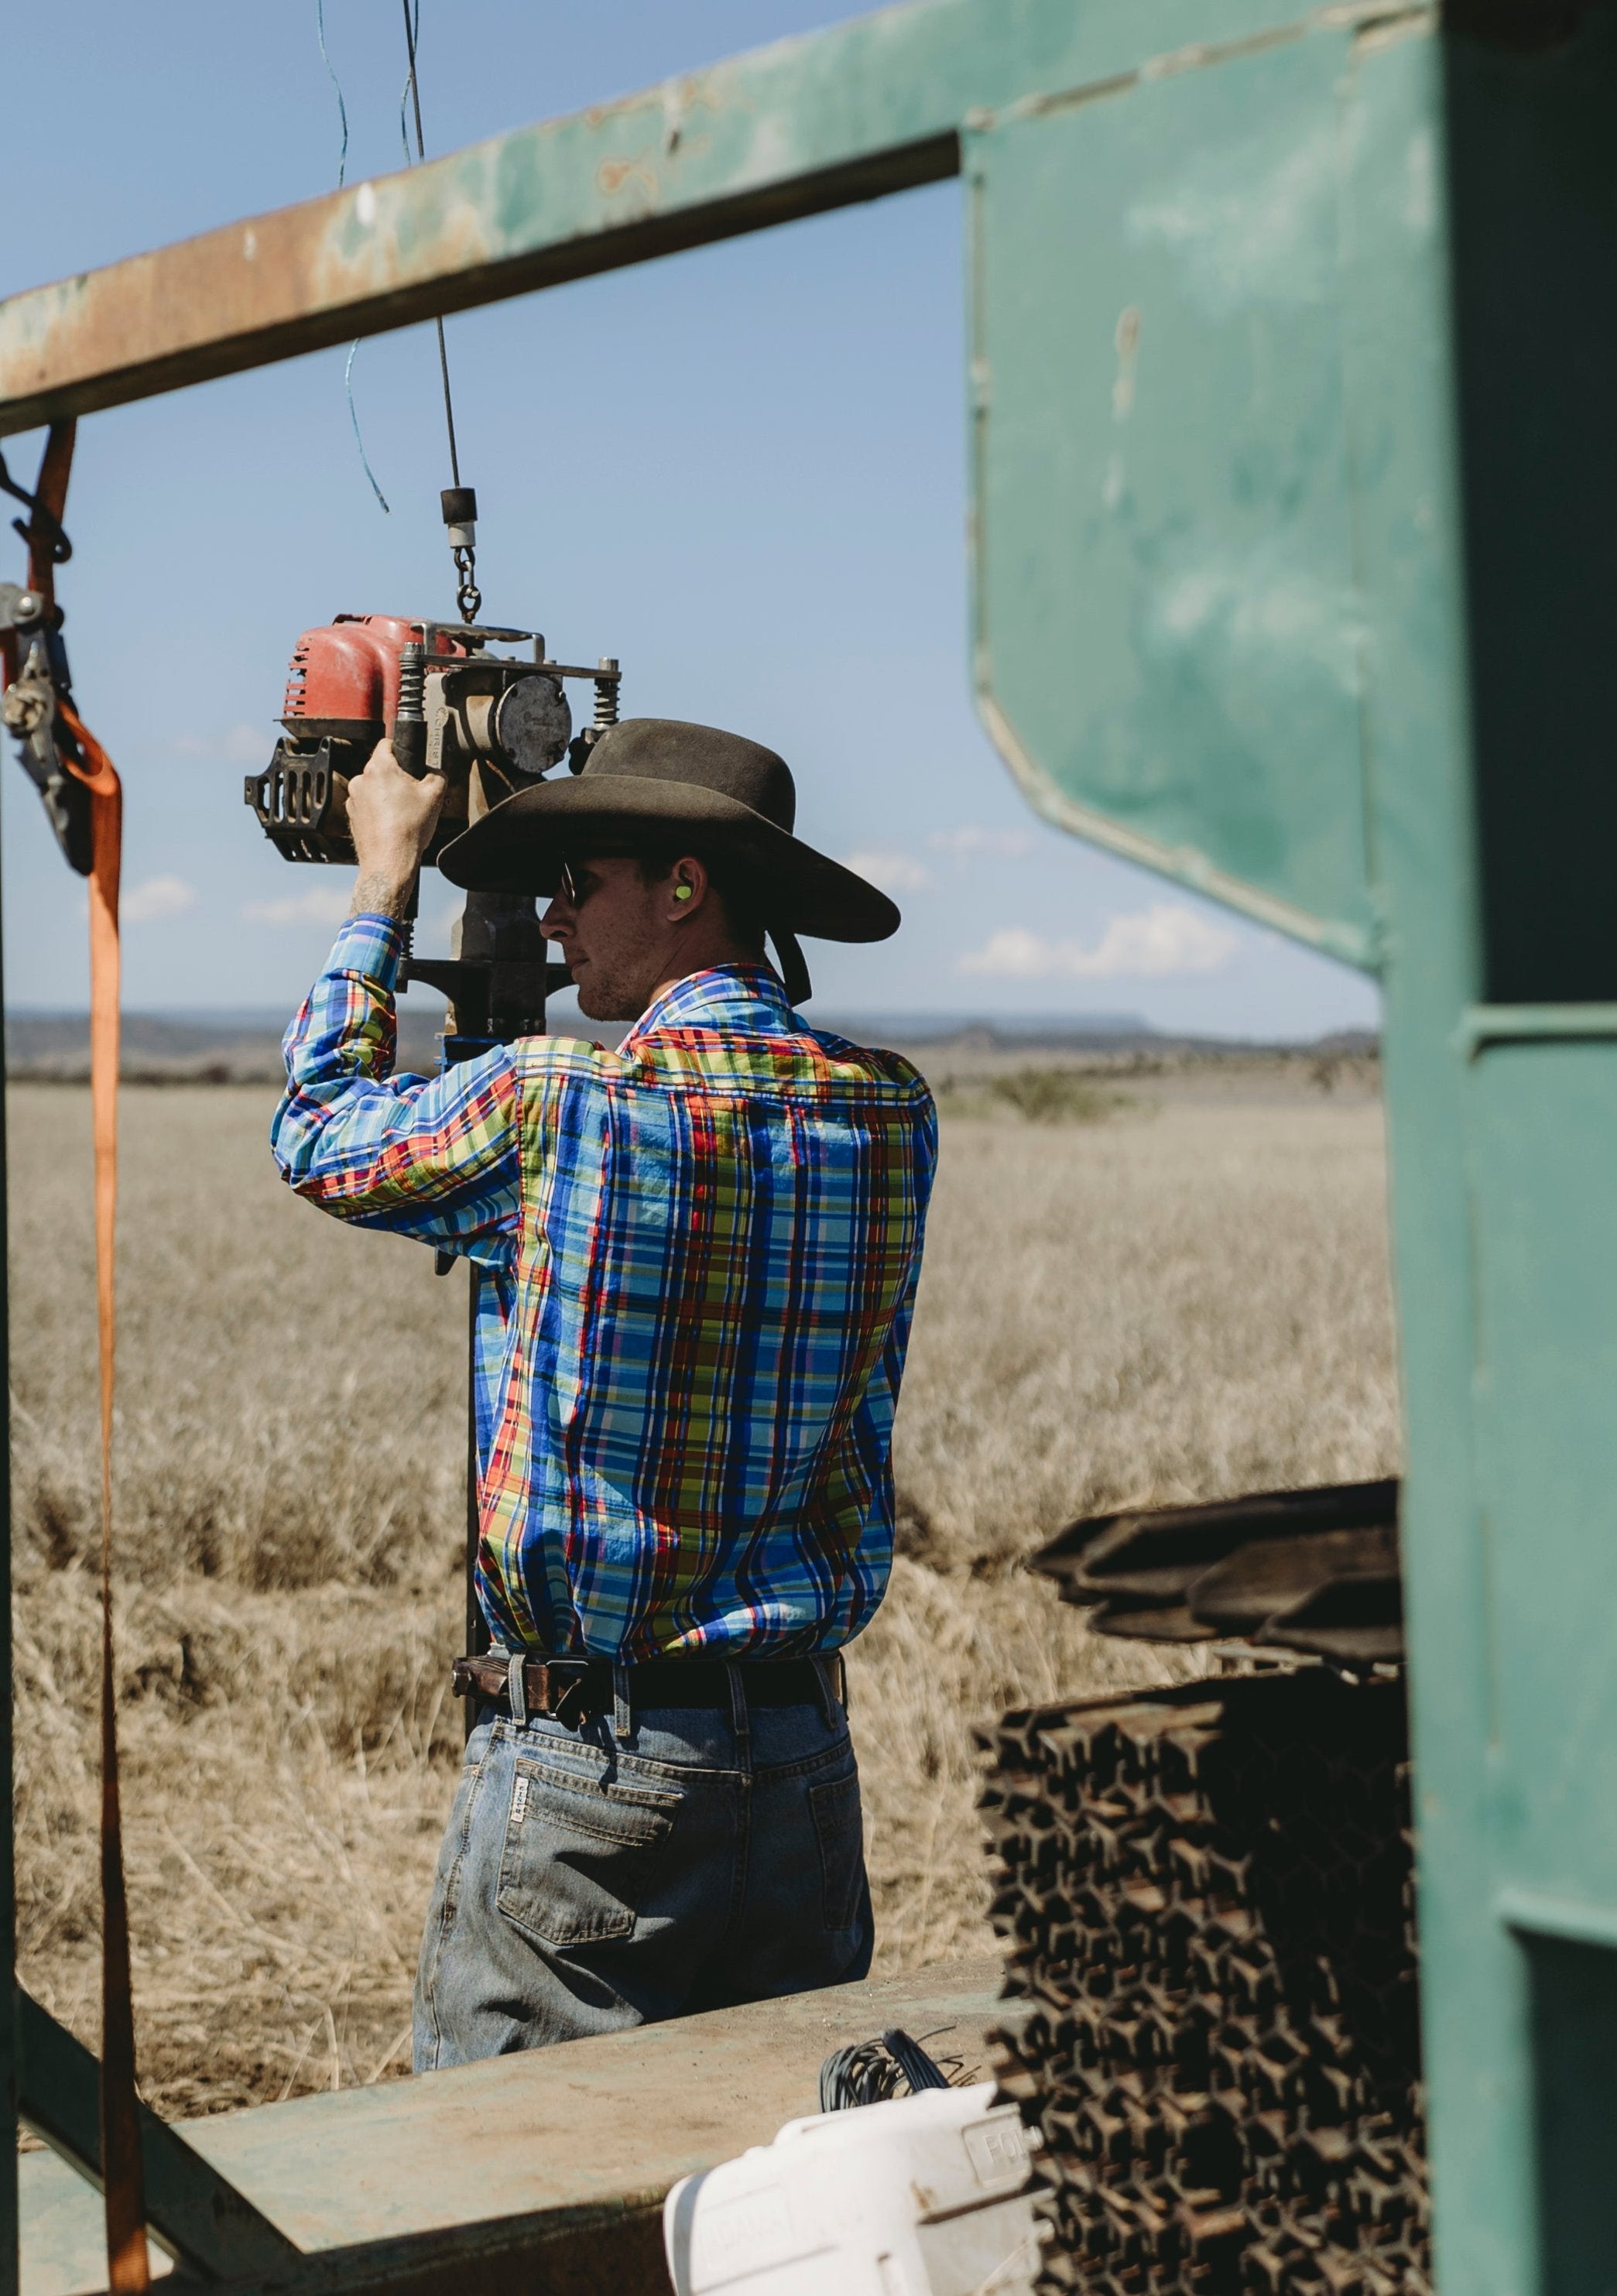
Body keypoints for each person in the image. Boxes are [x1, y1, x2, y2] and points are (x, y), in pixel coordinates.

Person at [270, 718, 937, 2068]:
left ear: (686, 885)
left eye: (581, 877)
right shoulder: (888, 1111)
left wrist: (382, 885)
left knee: (506, 2210)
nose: (553, 914)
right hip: (804, 1762)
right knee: (764, 2200)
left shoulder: (550, 1107)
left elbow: (317, 1126)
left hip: (597, 1771)